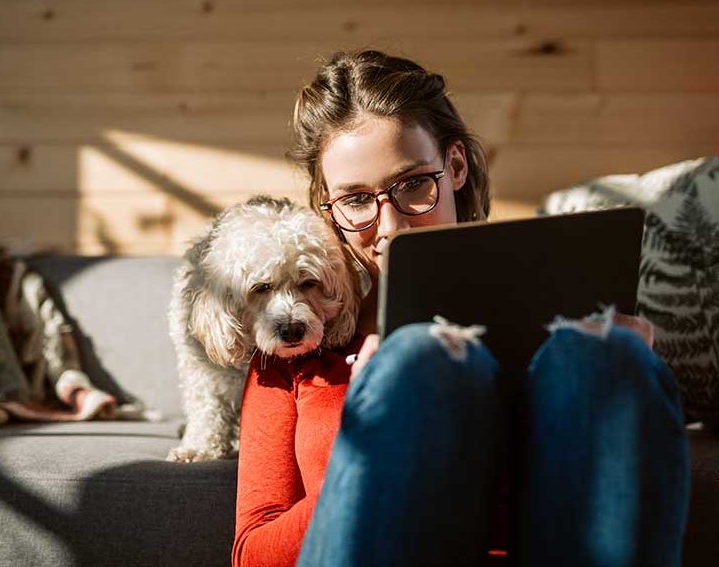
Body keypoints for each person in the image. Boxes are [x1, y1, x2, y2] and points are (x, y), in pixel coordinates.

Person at [232, 50, 690, 567]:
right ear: (328, 208)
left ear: (454, 166)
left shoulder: (563, 337)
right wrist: (374, 439)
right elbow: (252, 553)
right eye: (356, 199)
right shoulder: (294, 350)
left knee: (607, 358)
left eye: (411, 185)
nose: (391, 227)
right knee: (420, 362)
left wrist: (626, 375)